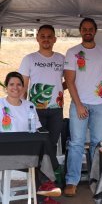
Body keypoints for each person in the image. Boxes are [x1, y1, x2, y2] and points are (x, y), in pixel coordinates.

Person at [63, 17, 102, 197]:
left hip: (99, 105)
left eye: (90, 29)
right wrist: (78, 105)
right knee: (76, 143)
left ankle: (96, 179)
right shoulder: (72, 52)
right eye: (84, 28)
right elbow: (69, 81)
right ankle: (71, 181)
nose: (87, 31)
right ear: (80, 30)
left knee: (97, 143)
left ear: (95, 31)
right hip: (79, 104)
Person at [0, 71, 61, 204]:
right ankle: (47, 189)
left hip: (27, 151)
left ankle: (44, 191)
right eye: (11, 84)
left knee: (43, 140)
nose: (15, 87)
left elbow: (36, 129)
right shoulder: (0, 105)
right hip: (5, 153)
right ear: (6, 87)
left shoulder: (29, 105)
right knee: (40, 155)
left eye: (19, 84)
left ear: (23, 87)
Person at [19, 24, 65, 155]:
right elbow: (24, 86)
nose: (46, 39)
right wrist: (23, 109)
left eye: (49, 37)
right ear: (37, 38)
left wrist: (60, 88)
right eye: (43, 36)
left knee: (52, 143)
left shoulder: (61, 59)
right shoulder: (29, 59)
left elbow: (70, 80)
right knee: (37, 143)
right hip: (35, 109)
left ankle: (49, 174)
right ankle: (38, 175)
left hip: (57, 109)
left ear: (55, 39)